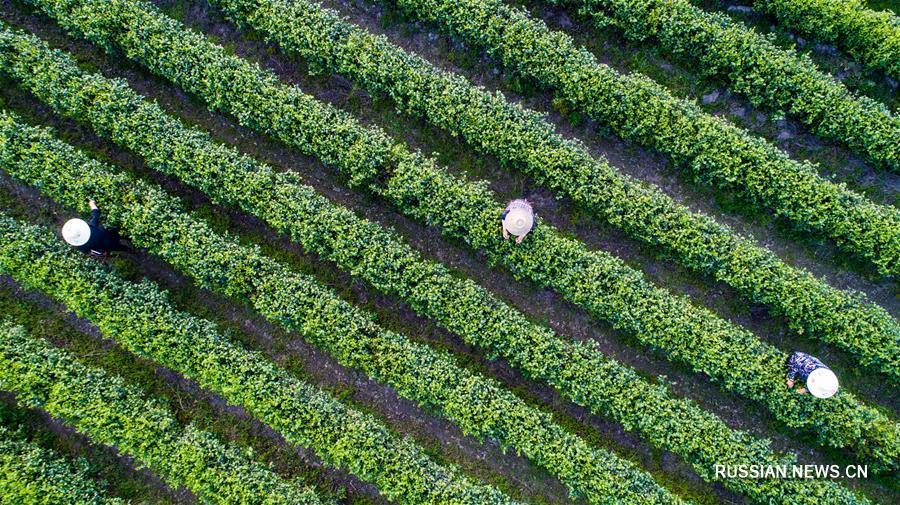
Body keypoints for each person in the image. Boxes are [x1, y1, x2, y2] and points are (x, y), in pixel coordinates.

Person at [61, 199, 127, 256]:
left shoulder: (81, 247)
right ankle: (130, 240)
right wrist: (92, 204)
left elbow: (89, 251)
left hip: (109, 246)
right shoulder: (91, 228)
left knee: (121, 248)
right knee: (123, 236)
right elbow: (96, 214)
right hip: (111, 235)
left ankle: (129, 250)